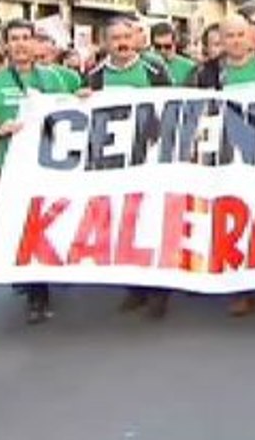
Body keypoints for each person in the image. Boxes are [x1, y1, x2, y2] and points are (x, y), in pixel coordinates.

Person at [0, 19, 71, 323]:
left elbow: (80, 105)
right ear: (6, 44)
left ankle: (39, 287)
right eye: (13, 38)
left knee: (43, 228)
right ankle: (34, 293)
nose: (20, 44)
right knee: (21, 229)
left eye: (26, 38)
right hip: (10, 167)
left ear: (36, 43)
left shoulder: (55, 77)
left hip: (48, 166)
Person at [188, 15, 255, 317]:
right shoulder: (206, 72)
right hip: (226, 155)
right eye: (229, 36)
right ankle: (240, 288)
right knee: (231, 217)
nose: (235, 41)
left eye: (241, 34)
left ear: (252, 36)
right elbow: (189, 108)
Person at [85, 16, 175, 318]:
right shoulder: (95, 75)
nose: (122, 43)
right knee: (124, 224)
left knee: (153, 222)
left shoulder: (154, 70)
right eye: (115, 38)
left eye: (127, 36)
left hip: (151, 159)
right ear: (105, 42)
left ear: (136, 39)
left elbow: (174, 109)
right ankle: (134, 287)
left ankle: (159, 291)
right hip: (115, 165)